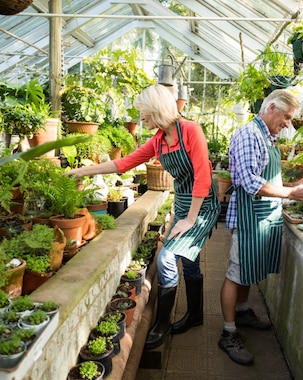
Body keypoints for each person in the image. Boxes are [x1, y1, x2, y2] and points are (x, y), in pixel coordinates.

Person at [67, 84, 219, 350]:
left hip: (202, 205)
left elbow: (203, 177)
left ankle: (161, 323)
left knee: (167, 258)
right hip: (184, 202)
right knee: (189, 258)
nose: (142, 119)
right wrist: (81, 172)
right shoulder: (158, 141)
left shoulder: (191, 131)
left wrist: (190, 219)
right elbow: (123, 164)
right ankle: (196, 315)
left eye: (145, 114)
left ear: (157, 111)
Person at [219, 89, 303, 366]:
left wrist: (291, 187)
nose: (288, 123)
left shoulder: (266, 138)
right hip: (250, 218)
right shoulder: (249, 135)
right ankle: (228, 333)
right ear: (271, 108)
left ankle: (243, 311)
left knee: (249, 269)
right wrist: (288, 195)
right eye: (286, 117)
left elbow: (266, 178)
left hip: (263, 217)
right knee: (236, 273)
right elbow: (248, 181)